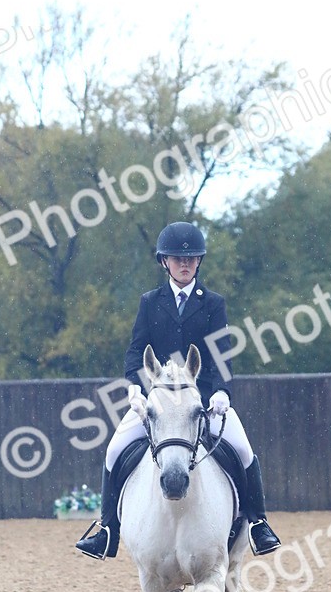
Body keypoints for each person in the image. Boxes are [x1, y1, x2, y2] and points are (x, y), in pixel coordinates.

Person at [75, 221, 282, 560]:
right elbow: (135, 349)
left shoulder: (213, 303)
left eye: (191, 259)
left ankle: (258, 524)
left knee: (244, 451)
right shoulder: (150, 301)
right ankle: (108, 530)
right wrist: (134, 388)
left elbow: (221, 353)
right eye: (177, 258)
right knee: (113, 452)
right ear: (164, 262)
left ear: (198, 262)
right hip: (157, 397)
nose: (184, 264)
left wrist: (221, 392)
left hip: (199, 400)